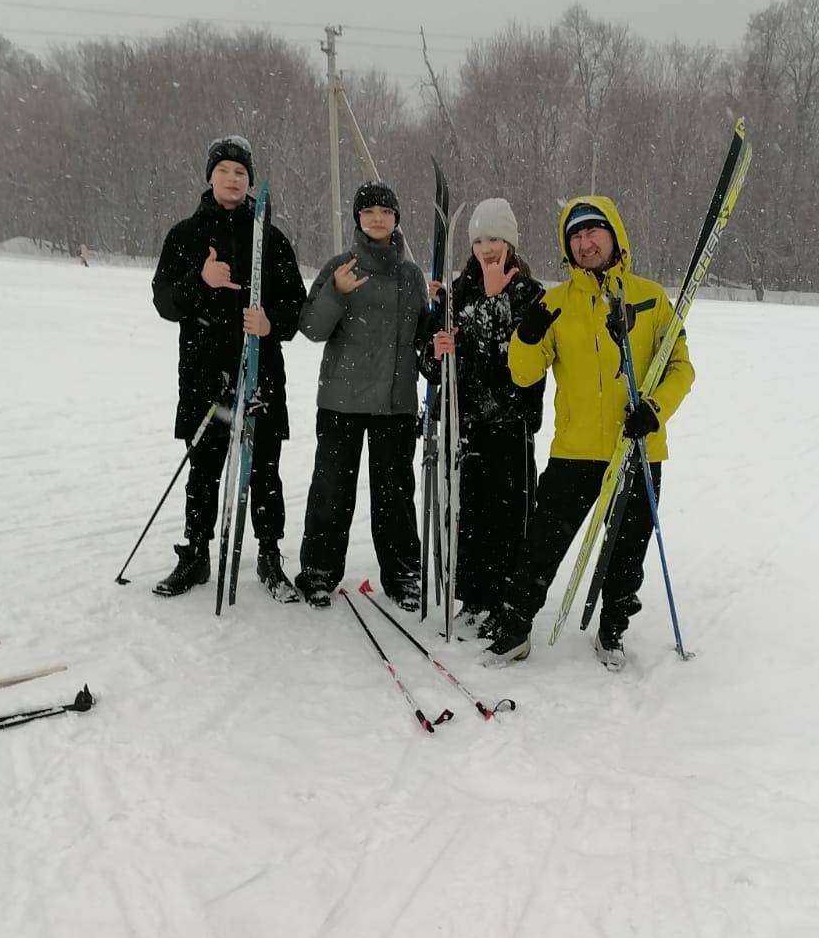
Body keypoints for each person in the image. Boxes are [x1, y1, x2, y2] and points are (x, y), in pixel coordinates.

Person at [480, 194, 695, 668]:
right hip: (574, 450)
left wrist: (655, 409)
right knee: (541, 546)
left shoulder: (652, 298)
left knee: (627, 550)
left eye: (594, 230)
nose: (585, 242)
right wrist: (528, 334)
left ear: (614, 234)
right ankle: (516, 628)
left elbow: (681, 366)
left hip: (637, 448)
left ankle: (612, 630)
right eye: (575, 235)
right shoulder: (554, 304)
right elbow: (523, 374)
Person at [150, 135, 307, 600]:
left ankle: (269, 557)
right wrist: (202, 281)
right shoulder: (185, 235)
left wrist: (270, 322)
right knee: (204, 467)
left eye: (241, 172)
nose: (233, 179)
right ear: (210, 177)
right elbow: (164, 301)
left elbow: (295, 305)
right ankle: (196, 555)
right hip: (203, 370)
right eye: (225, 171)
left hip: (259, 371)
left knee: (264, 469)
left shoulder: (271, 238)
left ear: (249, 181)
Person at [295, 181, 430, 610]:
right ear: (357, 218)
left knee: (395, 495)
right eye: (368, 211)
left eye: (385, 212)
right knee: (332, 490)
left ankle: (404, 574)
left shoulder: (411, 276)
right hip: (342, 401)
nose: (377, 218)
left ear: (396, 220)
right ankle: (318, 571)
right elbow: (312, 328)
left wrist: (438, 316)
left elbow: (420, 338)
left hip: (395, 403)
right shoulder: (341, 266)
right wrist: (336, 292)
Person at [424, 197, 545, 630]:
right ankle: (473, 596)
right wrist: (436, 352)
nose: (486, 247)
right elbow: (432, 362)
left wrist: (496, 302)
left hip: (510, 424)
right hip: (467, 422)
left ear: (510, 240)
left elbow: (516, 363)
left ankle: (504, 601)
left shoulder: (530, 294)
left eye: (494, 237)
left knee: (508, 516)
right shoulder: (457, 292)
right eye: (477, 239)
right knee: (469, 514)